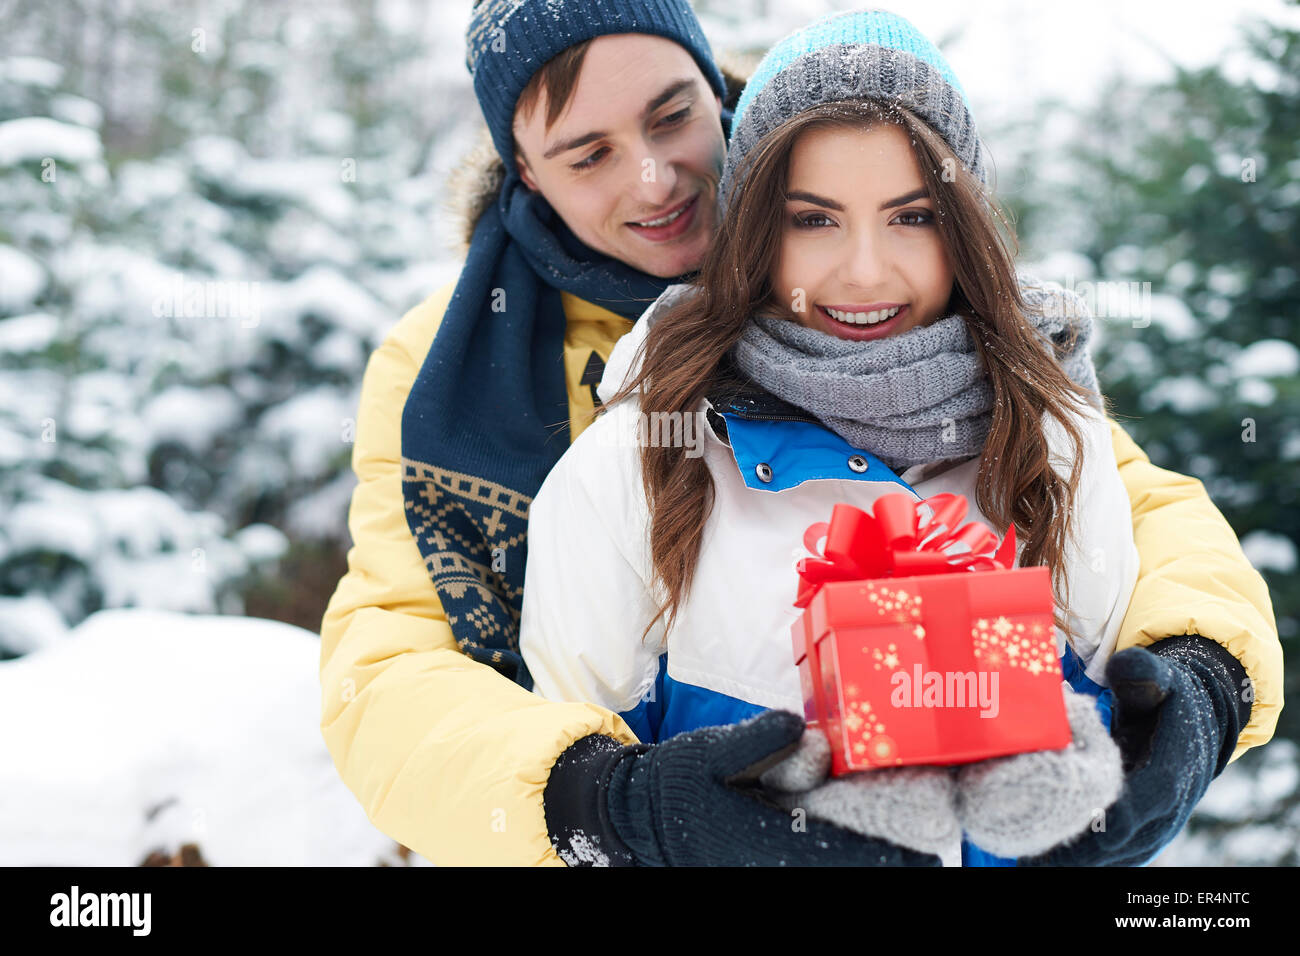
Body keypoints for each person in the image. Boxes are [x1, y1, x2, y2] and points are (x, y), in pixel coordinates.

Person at [319, 0, 1283, 866]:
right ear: (524, 171)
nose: (656, 181)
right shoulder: (450, 371)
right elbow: (390, 660)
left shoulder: (922, 317)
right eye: (590, 153)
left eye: (670, 118)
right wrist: (602, 805)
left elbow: (1127, 497)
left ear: (717, 93)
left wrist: (1206, 672)